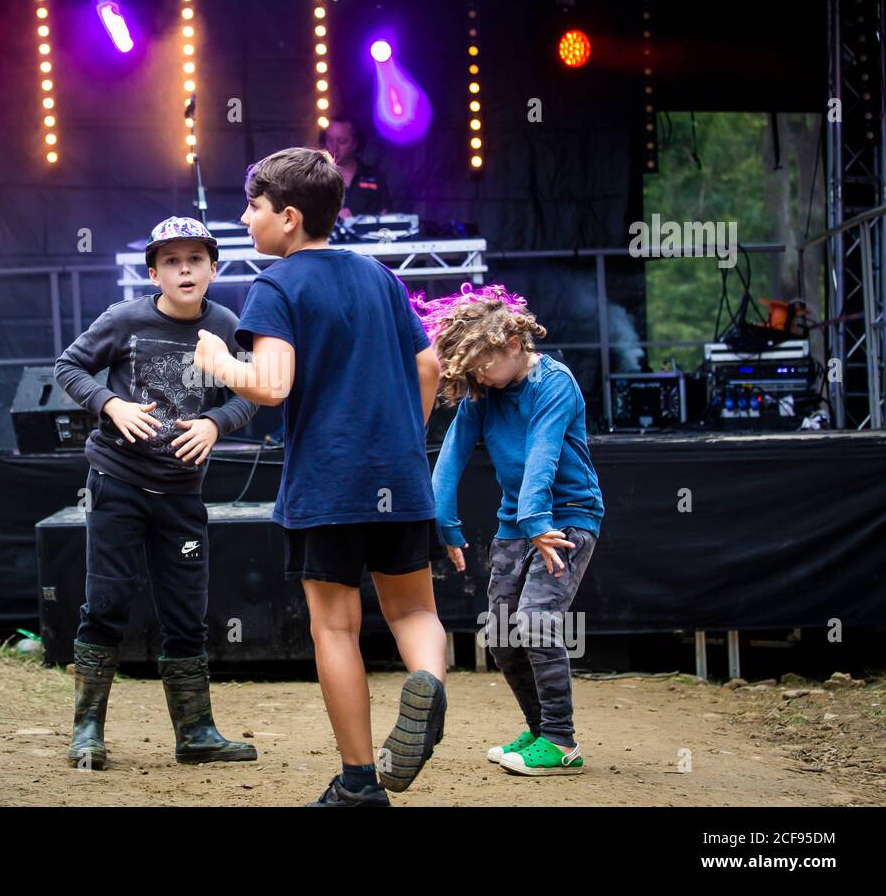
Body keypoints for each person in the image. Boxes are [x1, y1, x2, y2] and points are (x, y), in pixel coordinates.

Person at [192, 148, 447, 807]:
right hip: (401, 477)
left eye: (253, 206)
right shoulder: (380, 277)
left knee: (335, 627)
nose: (244, 219)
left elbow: (271, 387)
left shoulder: (275, 287)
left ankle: (359, 782)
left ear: (290, 216)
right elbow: (430, 371)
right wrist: (402, 443)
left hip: (327, 485)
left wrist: (220, 360)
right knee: (415, 609)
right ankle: (429, 681)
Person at [53, 216, 260, 771]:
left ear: (214, 269)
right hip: (117, 484)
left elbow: (252, 393)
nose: (185, 269)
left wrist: (217, 422)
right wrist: (110, 404)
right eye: (172, 261)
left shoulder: (226, 323)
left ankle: (196, 733)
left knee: (186, 612)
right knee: (107, 604)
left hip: (181, 496)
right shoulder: (124, 319)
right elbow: (68, 366)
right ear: (154, 272)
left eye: (195, 259)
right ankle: (87, 733)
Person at [426, 282, 604, 776]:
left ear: (512, 344)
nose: (479, 375)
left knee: (537, 622)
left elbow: (542, 459)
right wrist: (446, 523)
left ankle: (562, 742)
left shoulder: (555, 383)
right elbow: (450, 457)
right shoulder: (483, 392)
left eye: (485, 363)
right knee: (503, 635)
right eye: (472, 367)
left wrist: (538, 523)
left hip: (565, 519)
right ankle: (539, 729)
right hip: (519, 524)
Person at [320, 114, 391, 217]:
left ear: (355, 143)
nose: (334, 147)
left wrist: (356, 222)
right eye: (329, 140)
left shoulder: (374, 177)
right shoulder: (315, 176)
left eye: (342, 141)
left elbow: (386, 218)